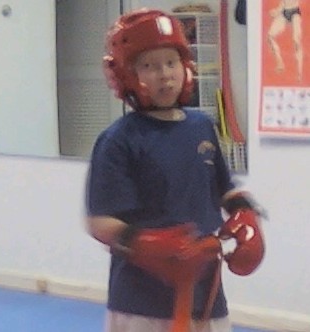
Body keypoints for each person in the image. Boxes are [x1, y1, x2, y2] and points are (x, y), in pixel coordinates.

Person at [86, 8, 264, 332]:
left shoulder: (202, 126)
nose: (165, 74)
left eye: (171, 62)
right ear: (126, 74)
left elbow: (225, 187)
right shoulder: (119, 140)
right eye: (149, 66)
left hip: (205, 291)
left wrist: (246, 215)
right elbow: (99, 221)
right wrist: (149, 244)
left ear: (186, 67)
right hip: (141, 300)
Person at [267, 0, 303, 81]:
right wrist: (276, 11)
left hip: (294, 12)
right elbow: (283, 3)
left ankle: (299, 73)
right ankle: (280, 63)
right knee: (270, 36)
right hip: (284, 11)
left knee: (296, 40)